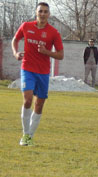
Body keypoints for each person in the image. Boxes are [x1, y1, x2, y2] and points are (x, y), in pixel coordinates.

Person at [11, 2, 64, 147]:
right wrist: (15, 53)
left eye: (45, 12)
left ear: (49, 14)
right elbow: (15, 39)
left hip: (43, 72)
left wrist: (46, 52)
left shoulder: (53, 32)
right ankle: (25, 134)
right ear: (36, 13)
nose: (43, 14)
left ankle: (30, 136)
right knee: (27, 100)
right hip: (27, 68)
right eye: (40, 11)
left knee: (39, 105)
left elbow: (60, 55)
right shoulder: (26, 26)